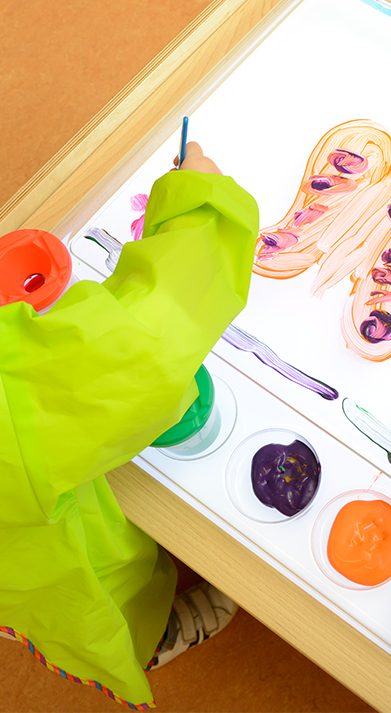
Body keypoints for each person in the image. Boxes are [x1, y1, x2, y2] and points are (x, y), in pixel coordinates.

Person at [0, 142, 259, 707]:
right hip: (41, 561)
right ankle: (150, 636)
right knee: (100, 595)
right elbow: (143, 347)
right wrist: (202, 210)